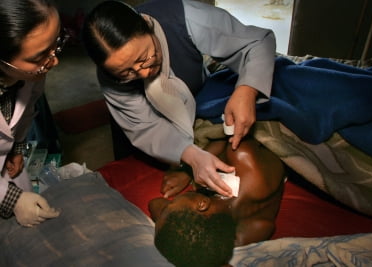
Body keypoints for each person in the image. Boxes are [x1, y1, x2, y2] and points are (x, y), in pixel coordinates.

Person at [81, 0, 276, 197]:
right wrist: (190, 158)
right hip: (141, 127)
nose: (143, 73)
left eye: (144, 58)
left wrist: (247, 90)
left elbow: (257, 42)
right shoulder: (110, 76)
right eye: (126, 73)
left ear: (148, 26)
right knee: (131, 176)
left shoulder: (184, 18)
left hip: (197, 92)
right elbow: (146, 129)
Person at [148, 138, 286, 267]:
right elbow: (222, 141)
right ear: (202, 204)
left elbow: (154, 204)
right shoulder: (243, 160)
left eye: (169, 205)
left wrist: (189, 169)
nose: (169, 202)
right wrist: (190, 169)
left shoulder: (235, 237)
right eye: (171, 204)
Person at [0, 0, 67, 227]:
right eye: (39, 58)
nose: (53, 61)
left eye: (56, 44)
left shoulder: (31, 74)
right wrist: (11, 199)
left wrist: (17, 147)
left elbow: (27, 110)